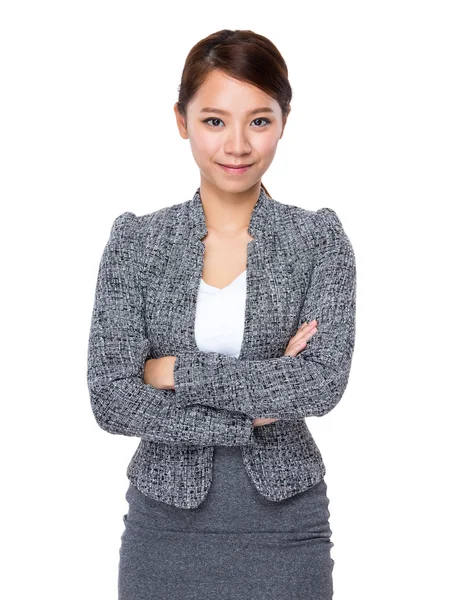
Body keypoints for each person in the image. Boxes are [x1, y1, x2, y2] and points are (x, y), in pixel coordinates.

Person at [87, 28, 357, 600]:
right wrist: (254, 412)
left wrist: (174, 372)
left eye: (259, 120)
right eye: (214, 120)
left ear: (284, 121)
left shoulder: (317, 239)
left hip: (287, 524)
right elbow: (111, 400)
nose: (237, 144)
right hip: (164, 524)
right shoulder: (138, 242)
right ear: (182, 121)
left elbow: (319, 386)